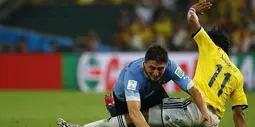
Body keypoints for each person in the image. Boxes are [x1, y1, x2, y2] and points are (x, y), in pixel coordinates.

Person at [58, 43, 216, 127]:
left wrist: (204, 112)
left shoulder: (172, 67)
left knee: (167, 120)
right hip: (124, 101)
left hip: (153, 92)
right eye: (152, 68)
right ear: (144, 63)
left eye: (160, 69)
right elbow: (134, 112)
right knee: (129, 122)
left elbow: (194, 91)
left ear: (166, 65)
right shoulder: (134, 75)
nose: (156, 72)